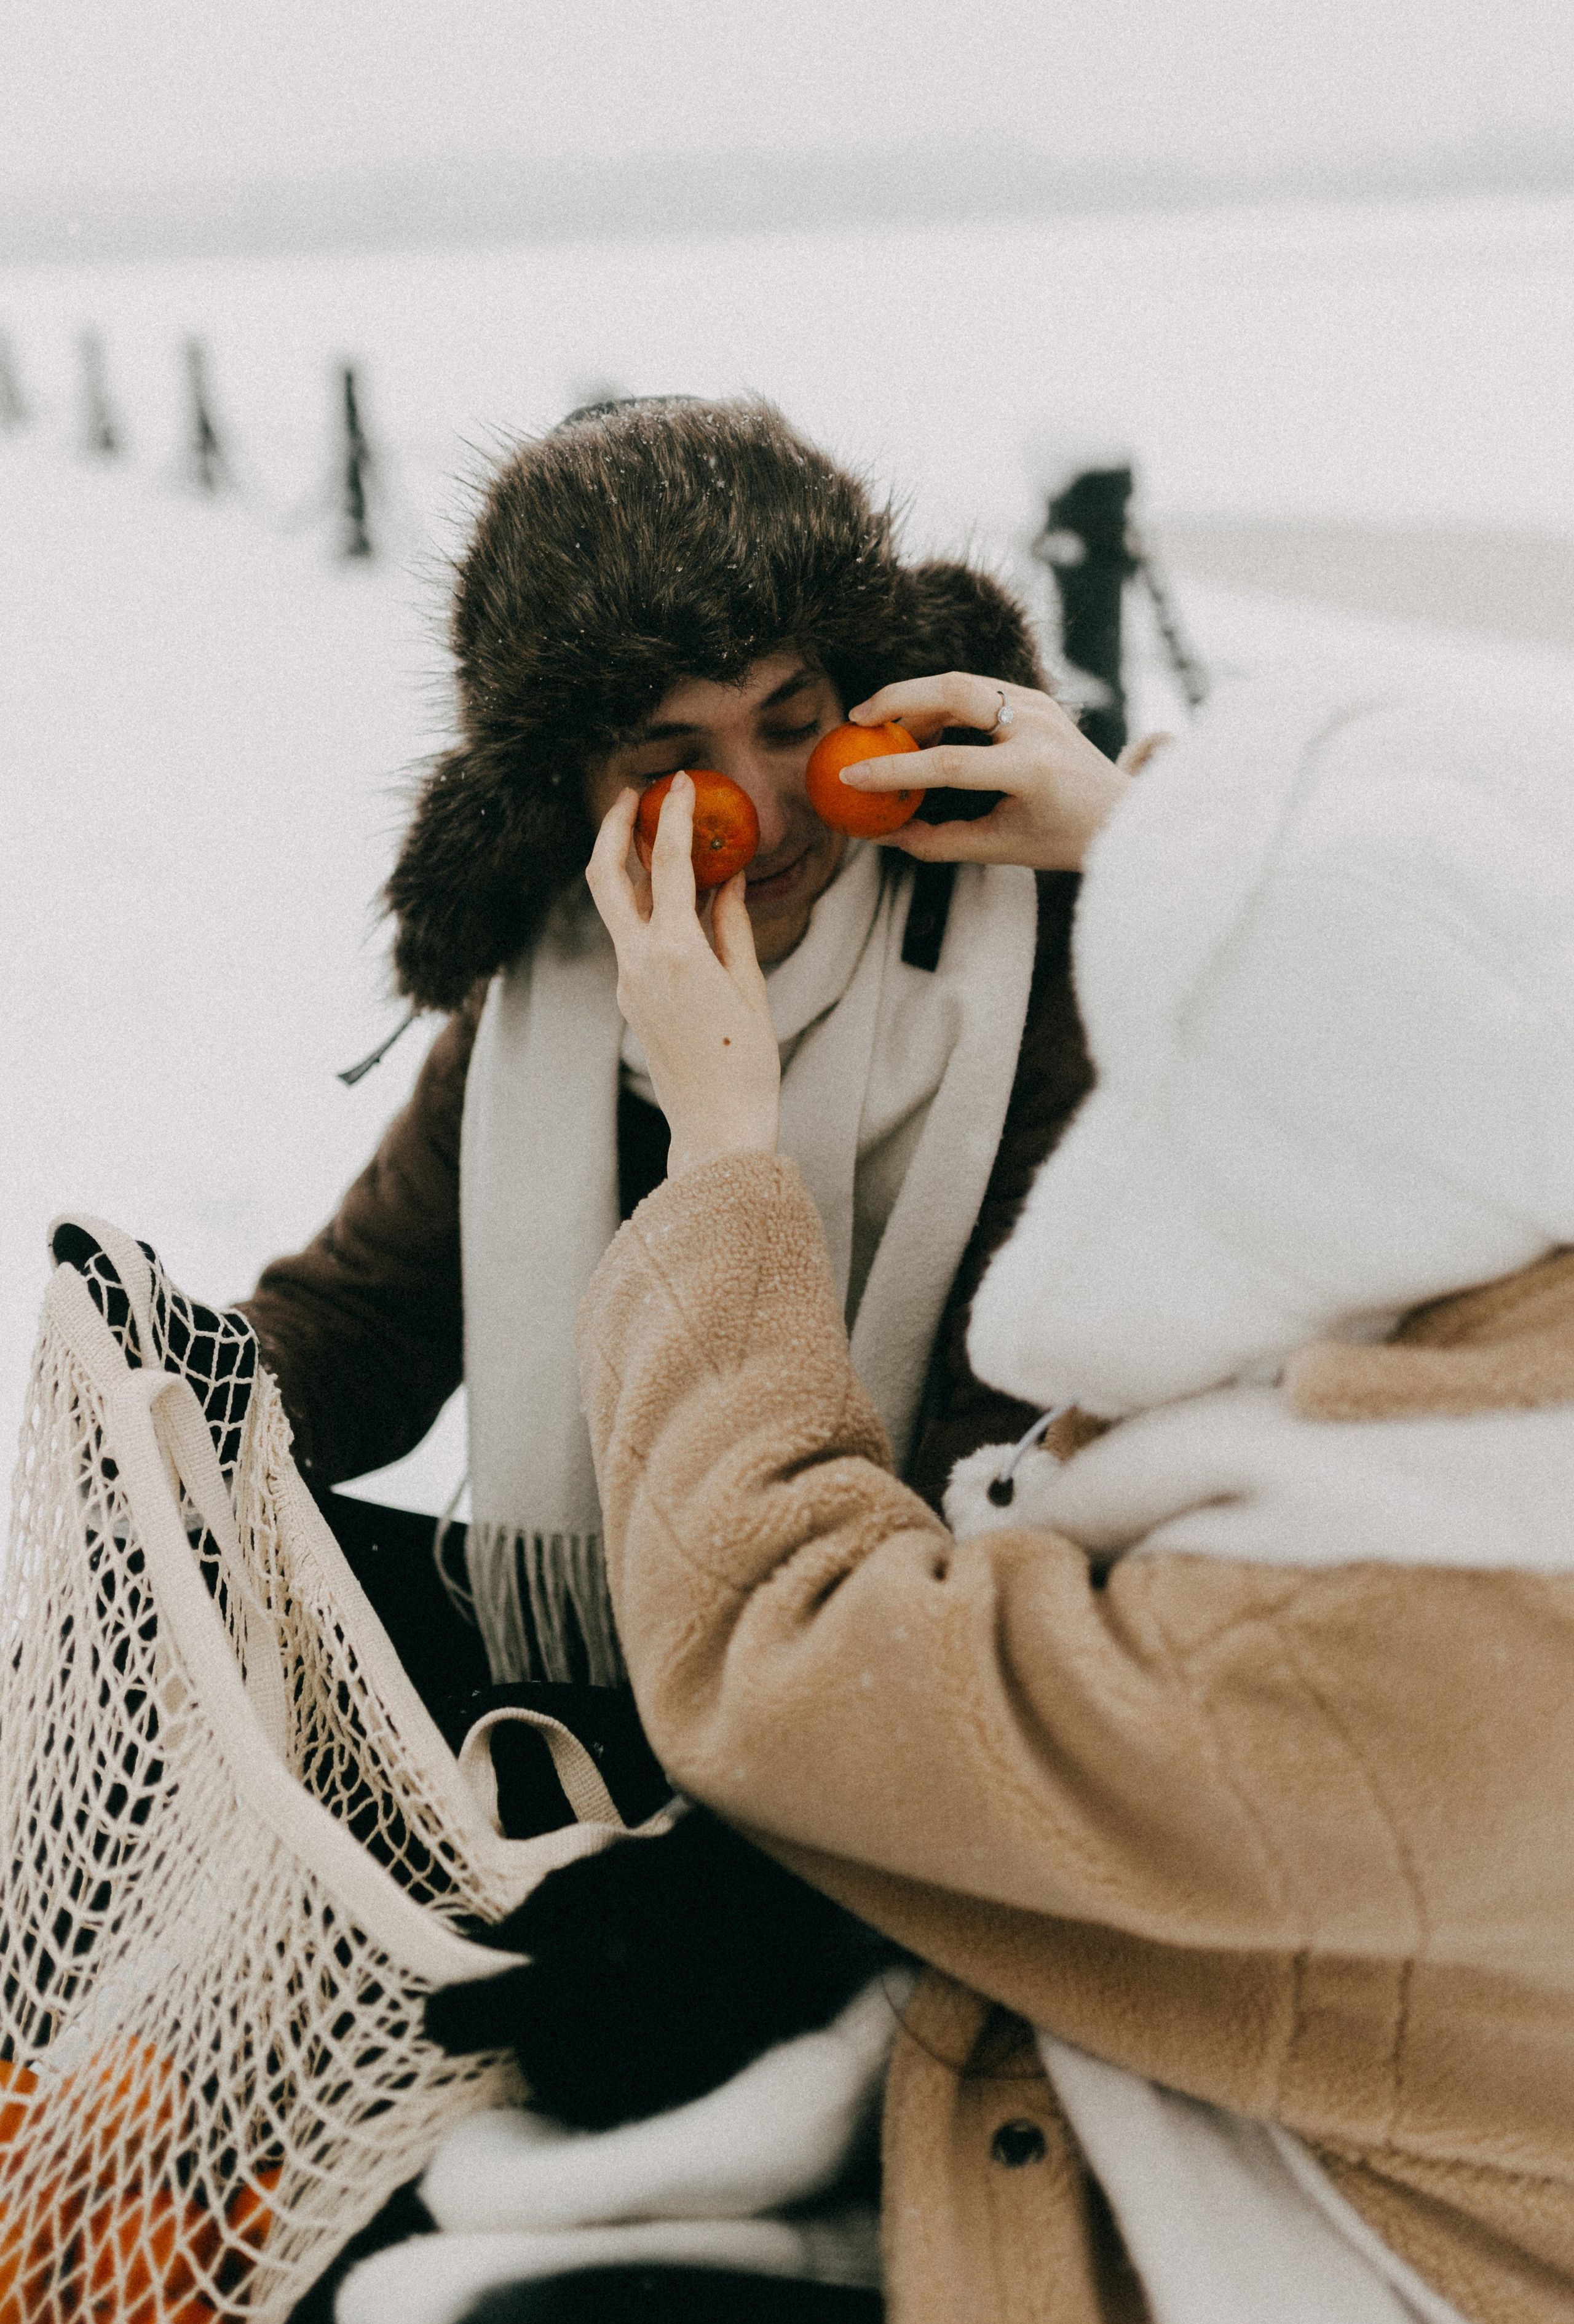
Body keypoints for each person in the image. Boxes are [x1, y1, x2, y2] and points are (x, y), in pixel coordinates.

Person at [575, 665, 1574, 2324]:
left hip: (1375, 2247)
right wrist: (1184, 855)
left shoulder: (1364, 1625)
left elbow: (780, 1656)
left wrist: (725, 1147)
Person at [237, 394, 1096, 1695]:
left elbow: (1000, 1466)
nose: (757, 806)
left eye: (792, 719)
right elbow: (374, 1312)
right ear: (570, 795)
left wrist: (721, 1132)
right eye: (669, 758)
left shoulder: (1019, 956)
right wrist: (176, 1403)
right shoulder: (564, 977)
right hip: (659, 1666)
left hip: (912, 1684)